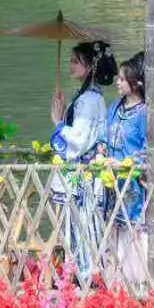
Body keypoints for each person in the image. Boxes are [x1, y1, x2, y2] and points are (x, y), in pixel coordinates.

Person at [49, 40, 114, 285]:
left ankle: (85, 277)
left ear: (90, 66)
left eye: (76, 61)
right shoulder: (88, 97)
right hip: (85, 175)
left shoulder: (88, 100)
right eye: (71, 60)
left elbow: (78, 140)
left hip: (84, 176)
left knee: (83, 227)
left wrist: (58, 123)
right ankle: (83, 275)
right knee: (81, 226)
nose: (70, 65)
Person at [94, 52, 153, 290]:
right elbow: (103, 137)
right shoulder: (113, 108)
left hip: (134, 184)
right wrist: (101, 153)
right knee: (114, 230)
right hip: (112, 182)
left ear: (135, 83)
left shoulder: (146, 113)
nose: (117, 82)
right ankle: (115, 281)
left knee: (134, 231)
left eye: (121, 79)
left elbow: (148, 150)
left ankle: (139, 282)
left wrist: (126, 164)